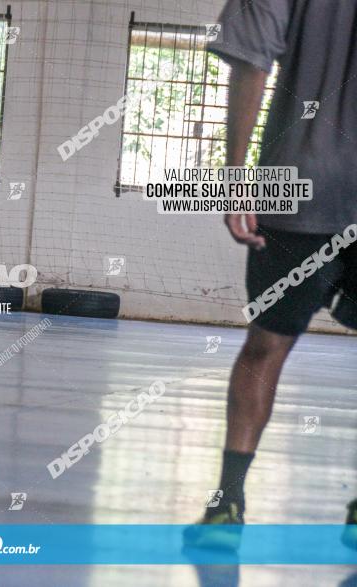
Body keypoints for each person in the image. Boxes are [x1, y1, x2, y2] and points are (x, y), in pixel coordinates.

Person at [186, 0, 357, 550]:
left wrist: (237, 178)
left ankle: (227, 503)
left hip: (300, 185)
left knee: (265, 348)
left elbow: (251, 61)